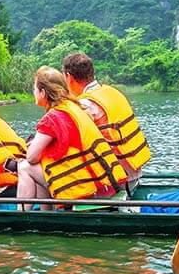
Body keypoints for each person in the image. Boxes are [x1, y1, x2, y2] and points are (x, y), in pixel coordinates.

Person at [16, 67, 127, 210]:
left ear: (43, 93)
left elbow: (31, 158)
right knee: (40, 168)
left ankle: (22, 215)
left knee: (24, 167)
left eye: (34, 89)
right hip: (102, 182)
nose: (34, 93)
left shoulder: (52, 117)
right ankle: (45, 215)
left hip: (85, 186)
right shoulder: (74, 106)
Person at [61, 52, 151, 191]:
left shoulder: (86, 105)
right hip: (135, 172)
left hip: (117, 179)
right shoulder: (112, 92)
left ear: (69, 77)